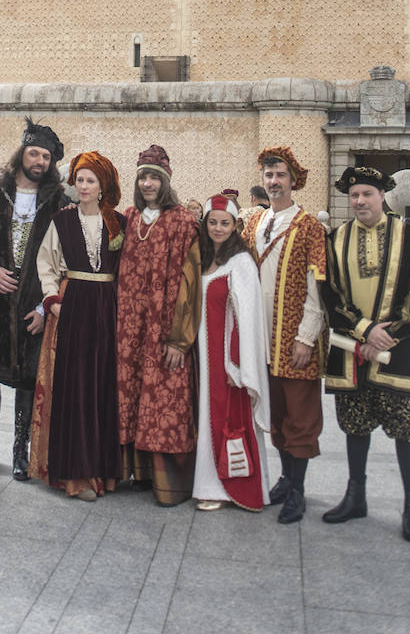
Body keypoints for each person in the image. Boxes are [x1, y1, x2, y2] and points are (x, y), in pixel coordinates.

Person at [321, 166, 410, 542]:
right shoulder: (335, 239)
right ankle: (356, 495)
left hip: (398, 349)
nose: (360, 201)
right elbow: (330, 296)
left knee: (406, 430)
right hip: (353, 348)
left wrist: (387, 335)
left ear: (382, 196)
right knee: (355, 426)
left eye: (367, 194)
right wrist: (364, 331)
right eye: (354, 195)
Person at [0, 117, 66, 480]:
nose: (39, 161)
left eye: (45, 156)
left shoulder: (59, 200)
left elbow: (65, 256)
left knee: (28, 377)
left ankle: (21, 450)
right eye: (34, 152)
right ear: (22, 152)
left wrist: (46, 306)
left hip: (34, 303)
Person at [30, 150, 124, 502]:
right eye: (80, 179)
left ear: (102, 187)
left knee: (103, 387)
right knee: (76, 390)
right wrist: (53, 300)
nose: (83, 186)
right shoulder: (62, 221)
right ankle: (76, 476)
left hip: (107, 307)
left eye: (90, 181)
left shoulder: (118, 222)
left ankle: (103, 471)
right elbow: (47, 264)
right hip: (72, 308)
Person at [168, 193, 270, 511]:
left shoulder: (240, 263)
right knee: (208, 416)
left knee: (228, 420)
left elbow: (248, 316)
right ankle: (209, 483)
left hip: (227, 359)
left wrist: (236, 362)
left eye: (224, 223)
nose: (217, 228)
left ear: (235, 225)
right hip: (203, 353)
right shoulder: (202, 258)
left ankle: (228, 488)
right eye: (212, 222)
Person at [243, 146, 327, 524]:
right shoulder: (254, 223)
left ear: (294, 181)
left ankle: (298, 489)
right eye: (268, 176)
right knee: (276, 415)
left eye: (280, 176)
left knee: (300, 417)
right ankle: (283, 478)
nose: (273, 182)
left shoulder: (309, 226)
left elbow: (316, 286)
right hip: (262, 338)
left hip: (293, 339)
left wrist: (306, 337)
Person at [116, 144, 199, 505]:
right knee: (131, 399)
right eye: (143, 177)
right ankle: (136, 471)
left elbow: (191, 281)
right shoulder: (129, 217)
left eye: (154, 177)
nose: (148, 183)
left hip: (164, 331)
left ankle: (168, 482)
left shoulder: (183, 221)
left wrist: (180, 339)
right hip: (129, 331)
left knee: (164, 402)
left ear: (165, 181)